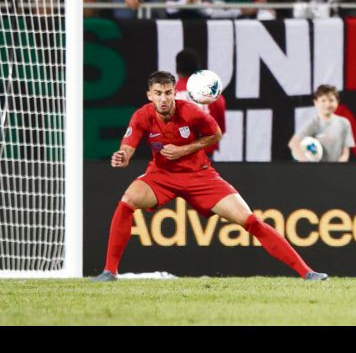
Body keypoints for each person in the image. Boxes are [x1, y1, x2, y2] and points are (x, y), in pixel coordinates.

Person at [92, 71, 327, 282]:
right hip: (161, 176)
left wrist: (183, 150)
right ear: (149, 96)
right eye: (157, 93)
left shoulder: (191, 112)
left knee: (250, 220)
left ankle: (307, 272)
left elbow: (215, 134)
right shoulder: (142, 116)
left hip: (200, 177)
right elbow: (128, 147)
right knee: (127, 201)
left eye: (167, 93)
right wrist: (122, 157)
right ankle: (109, 272)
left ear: (175, 93)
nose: (163, 98)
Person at [174, 48, 227, 157]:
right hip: (205, 157)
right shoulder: (212, 95)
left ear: (177, 70)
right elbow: (220, 129)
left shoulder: (168, 96)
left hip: (176, 157)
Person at [288, 85, 356, 162]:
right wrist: (306, 161)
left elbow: (346, 152)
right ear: (316, 102)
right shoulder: (313, 123)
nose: (327, 104)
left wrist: (339, 165)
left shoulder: (344, 123)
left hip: (337, 169)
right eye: (323, 100)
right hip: (317, 171)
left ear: (337, 101)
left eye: (331, 100)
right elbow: (293, 143)